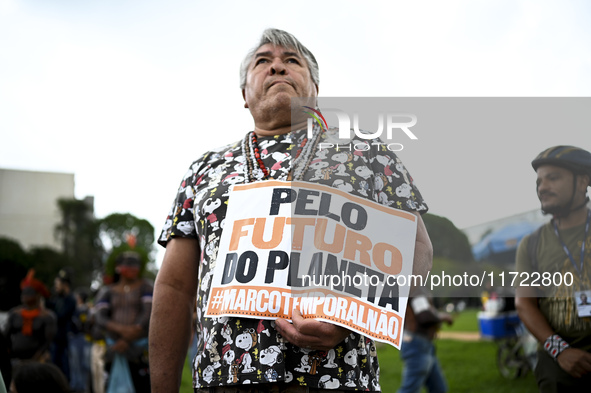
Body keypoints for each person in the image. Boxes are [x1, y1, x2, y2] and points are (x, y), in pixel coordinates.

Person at [150, 28, 433, 392]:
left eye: (292, 61)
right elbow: (174, 285)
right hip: (226, 380)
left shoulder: (367, 153)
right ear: (244, 95)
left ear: (314, 89)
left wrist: (351, 316)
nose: (277, 68)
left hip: (338, 379)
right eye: (263, 61)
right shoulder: (205, 168)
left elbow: (417, 249)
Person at [515, 145, 591, 392]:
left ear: (582, 182)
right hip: (558, 365)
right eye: (538, 182)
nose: (542, 187)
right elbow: (524, 304)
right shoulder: (531, 243)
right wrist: (561, 351)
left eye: (553, 178)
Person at [95, 251, 153, 392]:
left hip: (139, 349)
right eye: (128, 265)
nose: (133, 268)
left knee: (141, 386)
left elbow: (148, 313)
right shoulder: (107, 291)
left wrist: (128, 339)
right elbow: (100, 317)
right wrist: (122, 331)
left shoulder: (146, 287)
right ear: (118, 267)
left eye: (136, 265)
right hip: (114, 348)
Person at [397, 289, 452, 393]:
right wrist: (442, 316)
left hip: (422, 344)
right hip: (417, 344)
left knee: (439, 388)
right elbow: (424, 316)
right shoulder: (416, 289)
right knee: (409, 390)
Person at [4, 270, 56, 366]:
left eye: (29, 293)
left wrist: (36, 358)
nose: (25, 296)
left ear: (38, 295)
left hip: (37, 361)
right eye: (24, 293)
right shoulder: (15, 314)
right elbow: (6, 336)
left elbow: (47, 342)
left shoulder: (47, 316)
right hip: (15, 359)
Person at [46, 269, 77, 383]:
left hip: (65, 339)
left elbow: (61, 315)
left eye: (58, 284)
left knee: (64, 368)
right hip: (57, 338)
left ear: (65, 285)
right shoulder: (58, 299)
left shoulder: (70, 300)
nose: (56, 287)